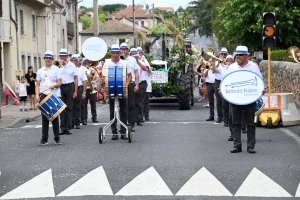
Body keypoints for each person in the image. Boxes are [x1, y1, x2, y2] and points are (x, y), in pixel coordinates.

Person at [219, 46, 265, 154]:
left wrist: (263, 89)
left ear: (246, 56)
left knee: (250, 123)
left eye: (240, 55)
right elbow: (225, 82)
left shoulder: (253, 67)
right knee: (235, 122)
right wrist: (222, 90)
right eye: (236, 55)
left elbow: (260, 81)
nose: (237, 57)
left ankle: (251, 146)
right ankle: (237, 145)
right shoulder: (232, 67)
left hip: (249, 99)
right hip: (235, 99)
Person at [103, 44, 130, 140]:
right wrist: (103, 88)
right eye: (113, 53)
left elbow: (129, 75)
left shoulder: (124, 63)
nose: (115, 55)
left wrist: (126, 85)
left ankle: (123, 132)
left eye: (116, 53)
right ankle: (114, 132)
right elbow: (103, 77)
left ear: (119, 53)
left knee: (123, 111)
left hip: (122, 89)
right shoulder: (107, 63)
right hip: (111, 89)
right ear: (111, 54)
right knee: (112, 111)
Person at [35, 50, 62, 146]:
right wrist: (37, 95)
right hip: (44, 95)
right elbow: (37, 85)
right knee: (44, 118)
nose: (48, 59)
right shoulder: (40, 71)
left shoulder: (57, 69)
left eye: (50, 58)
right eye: (46, 58)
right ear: (44, 59)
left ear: (52, 59)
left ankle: (57, 138)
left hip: (53, 95)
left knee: (55, 117)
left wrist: (54, 85)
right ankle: (44, 139)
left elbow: (59, 83)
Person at [58, 48, 78, 135]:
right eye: (61, 56)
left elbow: (75, 78)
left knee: (69, 107)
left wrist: (75, 91)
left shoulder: (72, 65)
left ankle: (69, 127)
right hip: (61, 86)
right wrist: (60, 65)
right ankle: (62, 128)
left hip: (70, 86)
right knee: (61, 108)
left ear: (67, 56)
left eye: (64, 56)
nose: (63, 57)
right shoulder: (57, 65)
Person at [120, 43, 139, 132]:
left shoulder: (132, 59)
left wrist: (137, 84)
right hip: (121, 83)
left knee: (131, 104)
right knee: (122, 104)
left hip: (131, 82)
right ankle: (122, 125)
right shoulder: (119, 60)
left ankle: (131, 124)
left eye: (125, 49)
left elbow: (136, 72)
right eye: (122, 49)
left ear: (128, 50)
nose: (123, 51)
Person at [131, 48, 151, 126]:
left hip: (141, 82)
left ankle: (139, 118)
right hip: (132, 82)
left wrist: (137, 61)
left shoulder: (142, 60)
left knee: (139, 102)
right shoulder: (128, 61)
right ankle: (132, 118)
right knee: (132, 102)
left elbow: (146, 68)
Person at [70, 54, 87, 129]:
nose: (73, 62)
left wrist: (84, 92)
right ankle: (71, 122)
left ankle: (77, 122)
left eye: (75, 60)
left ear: (77, 62)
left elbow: (84, 81)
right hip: (70, 88)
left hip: (79, 88)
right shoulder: (68, 69)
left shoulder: (81, 70)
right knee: (70, 106)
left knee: (78, 106)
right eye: (72, 60)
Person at [137, 47, 153, 121]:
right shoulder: (135, 61)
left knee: (146, 101)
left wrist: (145, 65)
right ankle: (140, 116)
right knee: (140, 101)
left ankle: (146, 115)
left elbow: (150, 72)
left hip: (146, 83)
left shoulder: (145, 60)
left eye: (141, 52)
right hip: (139, 83)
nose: (140, 54)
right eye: (139, 52)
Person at [213, 47, 228, 123]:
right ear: (219, 54)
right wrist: (219, 62)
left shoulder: (228, 62)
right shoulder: (216, 62)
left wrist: (225, 62)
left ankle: (226, 117)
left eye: (225, 54)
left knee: (225, 101)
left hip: (225, 82)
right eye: (222, 54)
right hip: (217, 81)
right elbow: (213, 71)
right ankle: (220, 117)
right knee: (218, 100)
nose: (223, 55)